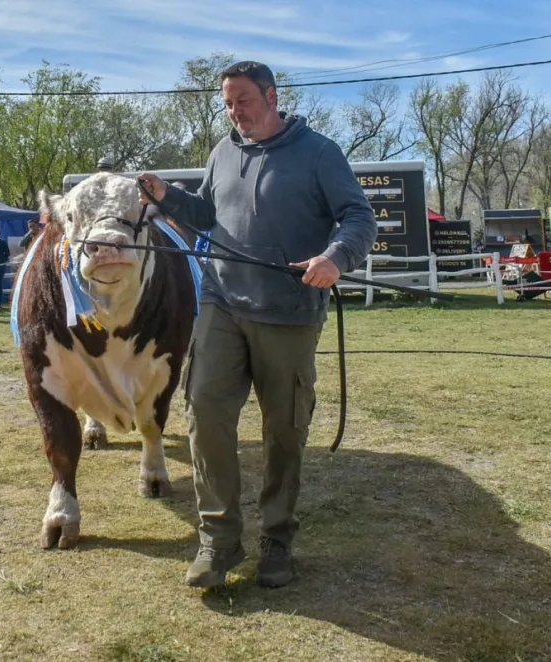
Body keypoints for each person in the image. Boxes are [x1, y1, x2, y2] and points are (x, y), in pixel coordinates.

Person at [138, 61, 377, 590]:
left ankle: (277, 538)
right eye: (227, 102)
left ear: (271, 95)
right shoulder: (222, 152)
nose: (234, 111)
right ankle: (218, 540)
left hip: (289, 311)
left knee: (284, 429)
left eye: (242, 100)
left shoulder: (319, 153)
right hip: (223, 304)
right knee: (203, 408)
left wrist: (336, 257)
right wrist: (165, 196)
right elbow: (206, 215)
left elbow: (360, 217)